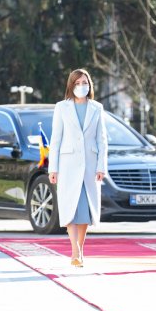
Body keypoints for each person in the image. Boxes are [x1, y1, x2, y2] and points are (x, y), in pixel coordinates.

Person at [48, 69, 108, 267]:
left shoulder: (97, 108)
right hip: (68, 166)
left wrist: (101, 167)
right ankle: (75, 251)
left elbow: (102, 140)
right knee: (69, 209)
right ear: (71, 85)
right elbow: (55, 139)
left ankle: (79, 249)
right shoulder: (61, 107)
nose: (81, 86)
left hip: (90, 167)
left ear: (89, 85)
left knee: (84, 211)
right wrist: (53, 168)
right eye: (77, 83)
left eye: (84, 82)